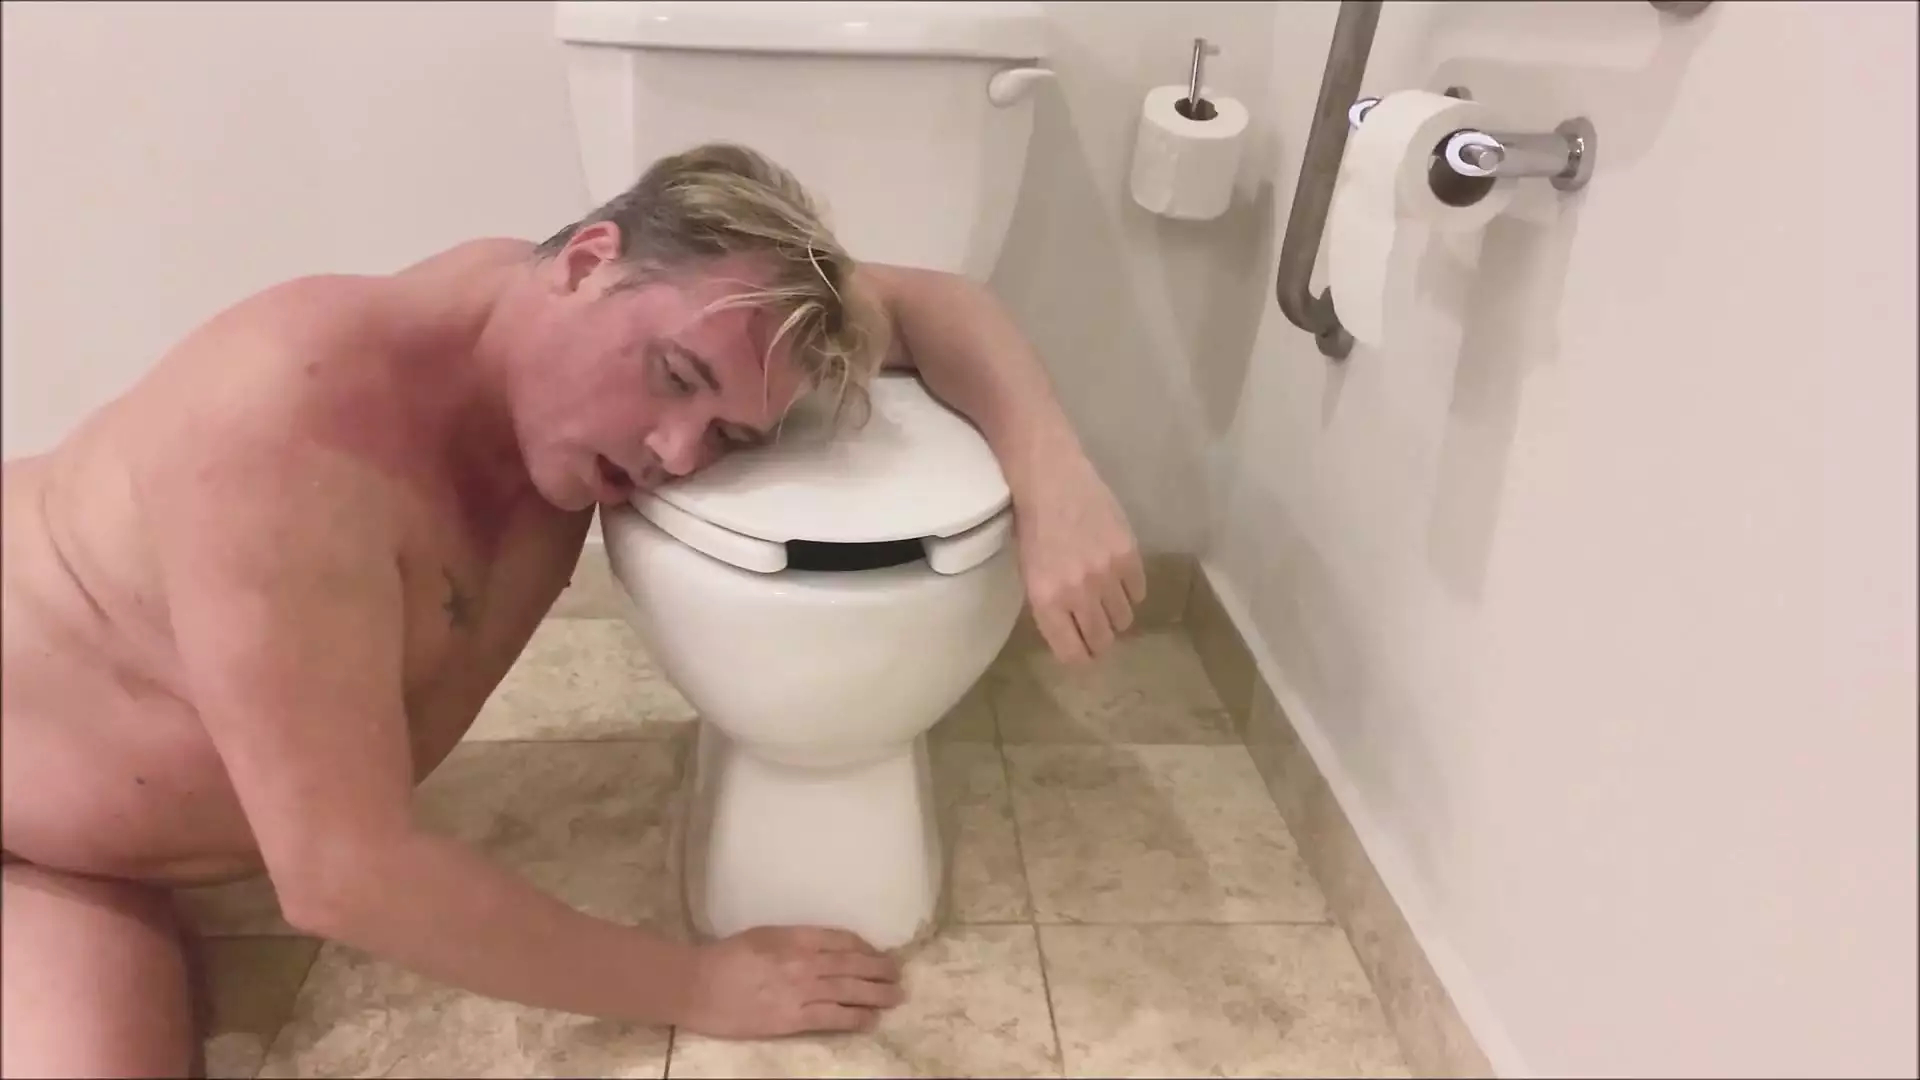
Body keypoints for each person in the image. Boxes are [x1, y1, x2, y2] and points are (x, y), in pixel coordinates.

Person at [0, 142, 1145, 1077]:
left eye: (726, 434)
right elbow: (344, 873)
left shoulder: (642, 324)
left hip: (88, 848)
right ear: (589, 260)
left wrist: (1057, 477)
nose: (676, 452)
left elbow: (930, 300)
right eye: (677, 379)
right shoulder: (286, 435)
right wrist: (695, 986)